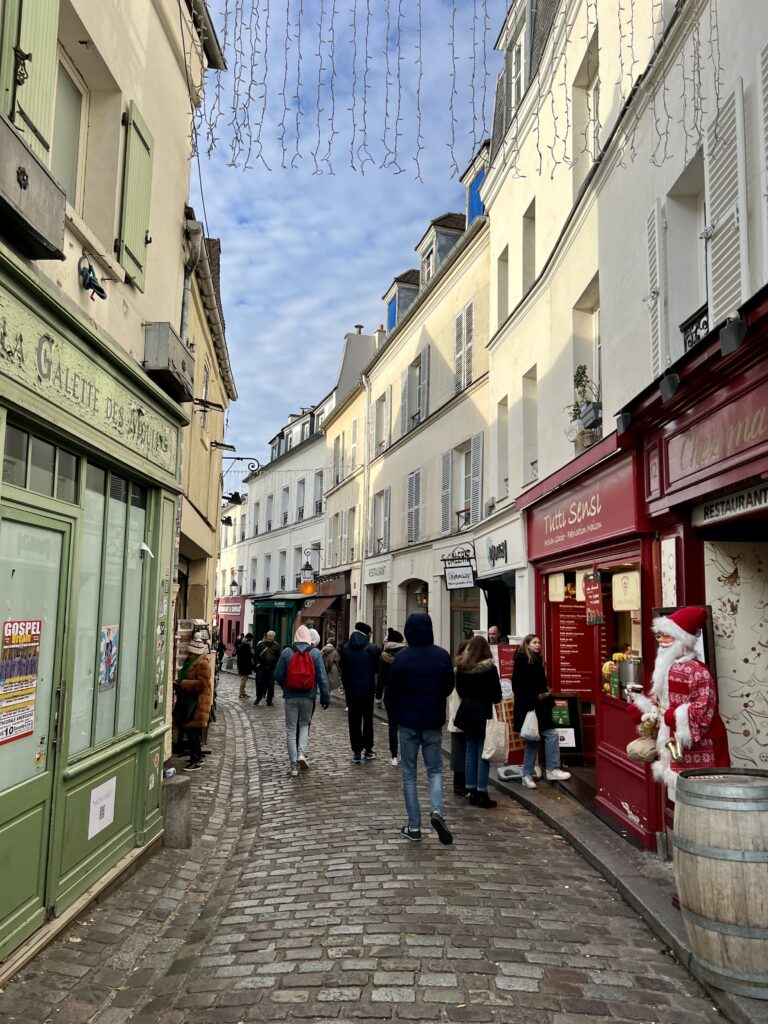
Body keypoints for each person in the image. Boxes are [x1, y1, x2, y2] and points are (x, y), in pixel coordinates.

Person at [631, 607, 729, 791]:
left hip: (702, 744)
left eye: (667, 636)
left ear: (682, 640)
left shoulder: (698, 671)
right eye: (659, 636)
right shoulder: (668, 667)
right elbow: (663, 702)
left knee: (704, 793)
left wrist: (676, 716)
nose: (661, 641)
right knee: (682, 791)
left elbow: (705, 708)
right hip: (676, 743)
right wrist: (646, 709)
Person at [387, 613, 455, 844]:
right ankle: (436, 811)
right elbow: (448, 686)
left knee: (409, 774)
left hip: (408, 722)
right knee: (435, 770)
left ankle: (414, 827)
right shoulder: (442, 655)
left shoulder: (402, 658)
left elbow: (392, 691)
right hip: (432, 721)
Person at [512, 634, 571, 789]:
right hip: (532, 707)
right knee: (536, 739)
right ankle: (537, 772)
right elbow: (518, 686)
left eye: (539, 642)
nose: (538, 645)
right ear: (527, 644)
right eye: (534, 642)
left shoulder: (535, 659)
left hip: (539, 705)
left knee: (545, 736)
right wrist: (532, 702)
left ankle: (542, 771)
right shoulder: (523, 660)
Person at [274, 624, 330, 777]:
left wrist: (286, 686)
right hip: (308, 695)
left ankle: (293, 766)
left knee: (291, 729)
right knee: (304, 725)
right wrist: (325, 696)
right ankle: (301, 754)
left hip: (291, 696)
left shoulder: (287, 652)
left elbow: (278, 674)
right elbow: (322, 678)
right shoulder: (315, 653)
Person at [455, 635, 503, 808]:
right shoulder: (489, 669)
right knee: (484, 753)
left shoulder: (462, 668)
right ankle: (481, 792)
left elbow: (460, 690)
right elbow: (496, 695)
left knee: (470, 751)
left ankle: (471, 790)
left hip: (467, 710)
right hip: (483, 711)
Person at [340, 621, 380, 764]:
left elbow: (343, 669)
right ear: (367, 633)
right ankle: (368, 749)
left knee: (354, 720)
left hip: (351, 691)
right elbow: (377, 668)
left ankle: (357, 751)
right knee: (368, 720)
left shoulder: (345, 648)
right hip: (367, 690)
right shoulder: (372, 648)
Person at [173, 633, 213, 772]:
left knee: (193, 733)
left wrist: (183, 684)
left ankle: (195, 759)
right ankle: (195, 757)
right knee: (192, 732)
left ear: (195, 652)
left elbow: (202, 684)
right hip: (191, 702)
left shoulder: (202, 664)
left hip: (197, 704)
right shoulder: (191, 662)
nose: (188, 655)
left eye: (190, 653)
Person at [377, 627, 407, 766]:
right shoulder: (406, 654)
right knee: (405, 726)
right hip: (405, 695)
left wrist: (378, 696)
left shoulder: (384, 656)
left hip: (390, 695)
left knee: (392, 726)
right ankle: (404, 753)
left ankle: (394, 756)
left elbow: (381, 679)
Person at [448, 639, 470, 796]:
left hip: (466, 717)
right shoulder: (457, 672)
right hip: (459, 716)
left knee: (467, 751)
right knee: (459, 752)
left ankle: (467, 782)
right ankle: (459, 784)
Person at [253, 630, 281, 705]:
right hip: (261, 668)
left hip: (271, 668)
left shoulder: (277, 646)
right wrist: (258, 663)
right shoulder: (261, 644)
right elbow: (256, 655)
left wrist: (276, 666)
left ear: (273, 637)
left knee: (271, 684)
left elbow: (279, 657)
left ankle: (269, 700)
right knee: (259, 683)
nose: (268, 637)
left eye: (270, 636)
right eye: (268, 635)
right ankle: (258, 698)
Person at [236, 632, 253, 698]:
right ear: (248, 638)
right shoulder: (245, 645)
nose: (251, 640)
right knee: (243, 679)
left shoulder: (244, 644)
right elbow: (246, 656)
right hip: (244, 665)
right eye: (251, 639)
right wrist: (251, 653)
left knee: (245, 679)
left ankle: (243, 692)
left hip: (245, 665)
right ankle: (241, 693)